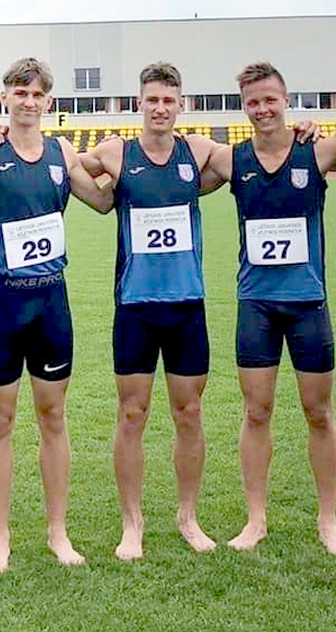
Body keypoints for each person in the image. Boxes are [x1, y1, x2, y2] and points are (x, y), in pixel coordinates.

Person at [79, 62, 242, 560]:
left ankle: (187, 516)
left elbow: (257, 158)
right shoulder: (116, 153)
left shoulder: (197, 151)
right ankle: (133, 524)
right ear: (139, 104)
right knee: (132, 413)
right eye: (151, 100)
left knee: (189, 413)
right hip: (135, 305)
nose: (160, 108)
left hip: (186, 305)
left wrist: (300, 129)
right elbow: (62, 165)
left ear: (181, 105)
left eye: (169, 100)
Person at [0, 57, 112, 573]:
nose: (28, 101)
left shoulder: (61, 151)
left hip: (51, 302)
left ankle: (57, 533)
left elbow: (102, 200)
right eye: (19, 92)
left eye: (37, 94)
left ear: (49, 101)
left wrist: (126, 158)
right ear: (4, 97)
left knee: (53, 417)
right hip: (3, 302)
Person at [198, 62, 336, 555]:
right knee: (256, 411)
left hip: (308, 305)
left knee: (319, 412)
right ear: (244, 107)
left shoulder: (319, 151)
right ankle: (255, 519)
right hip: (256, 306)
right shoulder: (231, 159)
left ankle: (328, 520)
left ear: (286, 100)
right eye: (253, 102)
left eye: (270, 99)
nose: (262, 109)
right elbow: (175, 159)